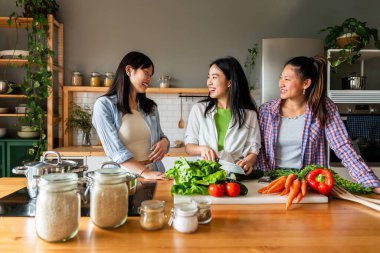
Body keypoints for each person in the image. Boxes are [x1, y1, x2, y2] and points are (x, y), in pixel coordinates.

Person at [257, 56, 380, 194]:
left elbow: (343, 146)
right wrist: (267, 177)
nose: (281, 83)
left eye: (287, 79)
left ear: (306, 83)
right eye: (281, 77)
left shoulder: (323, 108)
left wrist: (371, 182)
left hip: (309, 183)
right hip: (273, 183)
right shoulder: (266, 111)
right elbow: (259, 148)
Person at [92, 51, 169, 180]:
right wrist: (144, 173)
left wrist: (164, 142)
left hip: (154, 173)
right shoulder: (104, 105)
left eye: (151, 75)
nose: (149, 79)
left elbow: (161, 135)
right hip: (122, 178)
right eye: (146, 73)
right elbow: (116, 151)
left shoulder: (150, 107)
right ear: (129, 70)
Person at [185, 56, 261, 176]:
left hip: (235, 175)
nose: (209, 82)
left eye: (214, 77)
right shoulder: (199, 110)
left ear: (230, 82)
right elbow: (189, 147)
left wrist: (247, 163)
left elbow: (253, 149)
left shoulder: (249, 115)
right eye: (208, 77)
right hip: (204, 174)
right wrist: (202, 149)